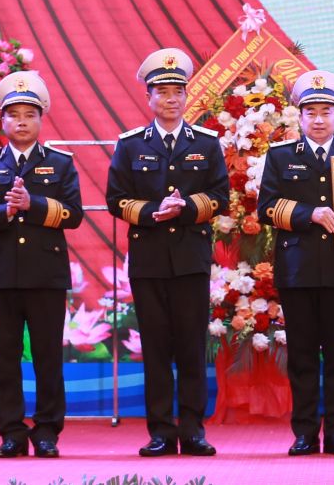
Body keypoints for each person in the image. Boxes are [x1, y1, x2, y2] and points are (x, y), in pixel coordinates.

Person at [106, 48, 227, 457]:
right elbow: (116, 199)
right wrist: (151, 212)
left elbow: (220, 195)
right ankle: (160, 431)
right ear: (149, 97)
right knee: (155, 349)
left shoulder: (206, 143)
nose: (171, 99)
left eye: (178, 91)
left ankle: (192, 430)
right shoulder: (130, 145)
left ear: (187, 95)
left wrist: (187, 207)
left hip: (191, 258)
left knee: (192, 347)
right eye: (162, 91)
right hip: (150, 260)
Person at [0, 71, 82, 458]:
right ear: (2, 120)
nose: (22, 122)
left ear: (41, 119)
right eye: (13, 115)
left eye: (30, 115)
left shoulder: (60, 163)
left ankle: (47, 431)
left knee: (48, 357)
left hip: (47, 275)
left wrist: (34, 205)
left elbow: (75, 215)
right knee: (6, 358)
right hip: (3, 276)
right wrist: (5, 212)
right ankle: (11, 432)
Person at [258, 71, 334, 456]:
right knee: (303, 356)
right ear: (300, 116)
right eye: (311, 113)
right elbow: (266, 208)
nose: (319, 120)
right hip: (298, 269)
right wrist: (311, 214)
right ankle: (304, 432)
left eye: (326, 112)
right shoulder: (280, 156)